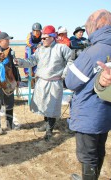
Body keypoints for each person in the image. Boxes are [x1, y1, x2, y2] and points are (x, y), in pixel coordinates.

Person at [65, 9, 111, 180]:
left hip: (88, 113)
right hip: (105, 114)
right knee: (99, 150)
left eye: (89, 26)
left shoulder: (93, 51)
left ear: (97, 25)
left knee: (88, 155)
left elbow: (71, 81)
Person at [15, 25, 73, 141]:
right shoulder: (40, 50)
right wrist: (19, 62)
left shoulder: (62, 48)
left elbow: (71, 61)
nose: (42, 40)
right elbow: (31, 61)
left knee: (52, 106)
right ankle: (46, 123)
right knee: (43, 105)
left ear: (52, 37)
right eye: (42, 38)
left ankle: (49, 130)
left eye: (45, 38)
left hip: (54, 82)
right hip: (41, 82)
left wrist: (64, 73)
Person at [0, 32, 21, 135]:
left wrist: (17, 79)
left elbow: (14, 66)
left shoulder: (10, 52)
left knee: (9, 102)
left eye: (9, 40)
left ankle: (10, 124)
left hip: (9, 82)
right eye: (6, 40)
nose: (8, 42)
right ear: (0, 41)